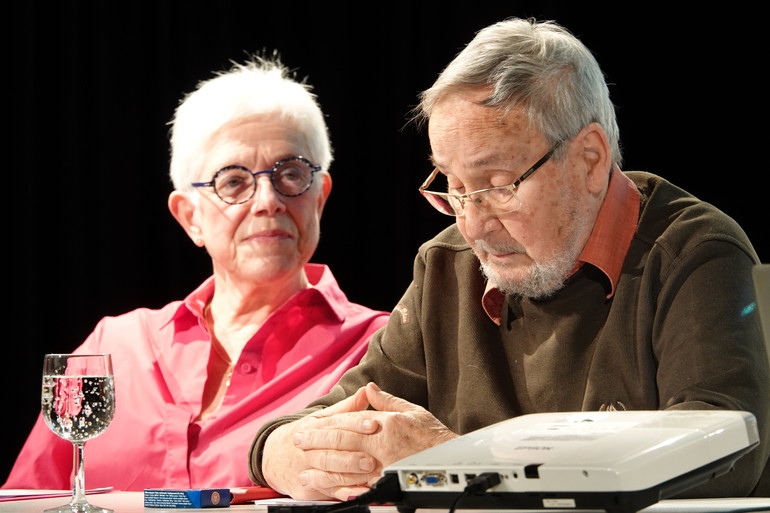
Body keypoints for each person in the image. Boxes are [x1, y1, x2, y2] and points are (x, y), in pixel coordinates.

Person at [247, 18, 770, 500]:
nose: (471, 223)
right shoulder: (446, 266)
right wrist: (279, 455)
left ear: (590, 159)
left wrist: (461, 464)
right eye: (452, 187)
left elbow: (724, 458)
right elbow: (328, 418)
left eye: (498, 186)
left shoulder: (693, 255)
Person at [3, 55, 389, 491]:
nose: (267, 201)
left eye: (291, 174)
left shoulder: (385, 349)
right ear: (190, 218)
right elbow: (25, 498)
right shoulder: (113, 346)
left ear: (319, 198)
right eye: (233, 181)